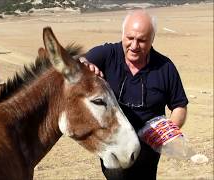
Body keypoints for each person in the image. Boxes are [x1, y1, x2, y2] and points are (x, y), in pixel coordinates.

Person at [79, 10, 188, 180]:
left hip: (148, 152)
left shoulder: (165, 67)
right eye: (130, 38)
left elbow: (179, 105)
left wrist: (167, 132)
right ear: (123, 35)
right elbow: (78, 62)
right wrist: (85, 64)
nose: (134, 46)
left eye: (142, 40)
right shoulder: (108, 54)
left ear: (152, 40)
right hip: (115, 146)